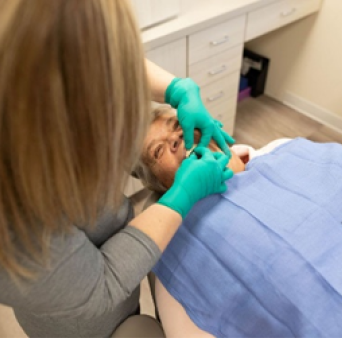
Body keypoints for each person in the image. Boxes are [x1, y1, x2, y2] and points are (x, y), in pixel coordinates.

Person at [0, 0, 235, 338]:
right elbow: (100, 286)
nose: (178, 136)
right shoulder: (11, 219)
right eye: (158, 149)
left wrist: (177, 89)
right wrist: (182, 196)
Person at [135, 106, 342, 338]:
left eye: (178, 126)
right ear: (159, 184)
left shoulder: (289, 150)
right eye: (158, 151)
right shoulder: (177, 246)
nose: (175, 138)